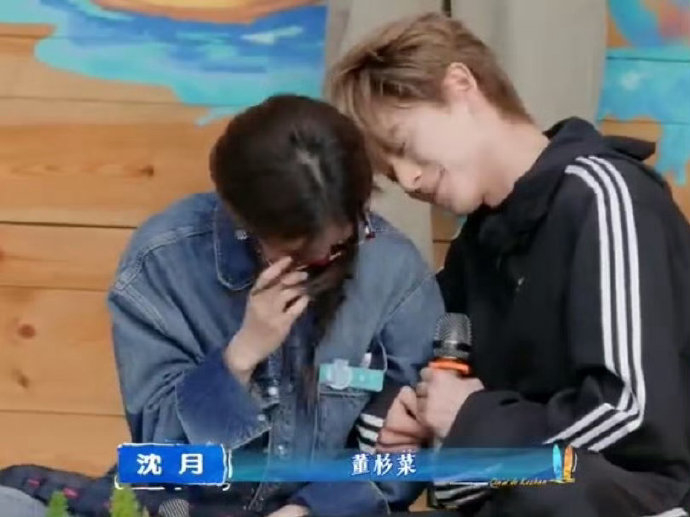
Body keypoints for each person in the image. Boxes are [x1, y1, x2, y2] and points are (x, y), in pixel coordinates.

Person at [327, 12, 690, 517]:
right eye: (391, 172)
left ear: (460, 86)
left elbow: (630, 415)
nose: (408, 180)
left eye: (404, 147)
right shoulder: (475, 248)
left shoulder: (605, 198)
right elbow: (418, 372)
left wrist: (472, 420)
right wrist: (400, 419)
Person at [108, 94, 444, 517]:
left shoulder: (393, 270)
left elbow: (405, 457)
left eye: (340, 244)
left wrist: (308, 511)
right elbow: (157, 453)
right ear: (243, 221)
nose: (324, 263)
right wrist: (240, 356)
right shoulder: (163, 262)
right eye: (299, 254)